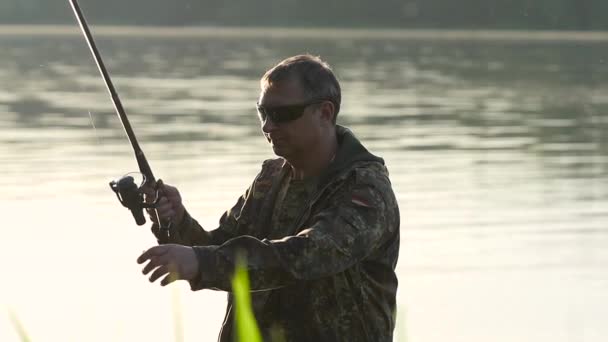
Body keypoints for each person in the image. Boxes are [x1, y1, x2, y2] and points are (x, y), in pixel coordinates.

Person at [137, 54, 400, 342]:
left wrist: (201, 261)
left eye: (282, 114)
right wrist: (175, 221)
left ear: (325, 112)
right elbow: (221, 248)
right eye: (263, 113)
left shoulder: (367, 190)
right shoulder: (270, 177)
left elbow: (308, 255)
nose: (268, 126)